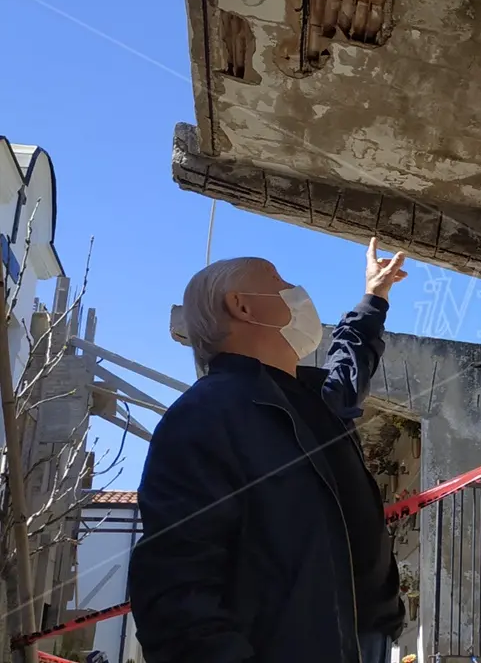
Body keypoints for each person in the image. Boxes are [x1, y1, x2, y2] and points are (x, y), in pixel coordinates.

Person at [129, 239, 408, 663]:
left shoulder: (315, 402)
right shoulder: (203, 417)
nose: (297, 290)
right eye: (280, 280)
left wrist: (375, 295)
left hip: (364, 641)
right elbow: (176, 587)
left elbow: (350, 360)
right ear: (242, 305)